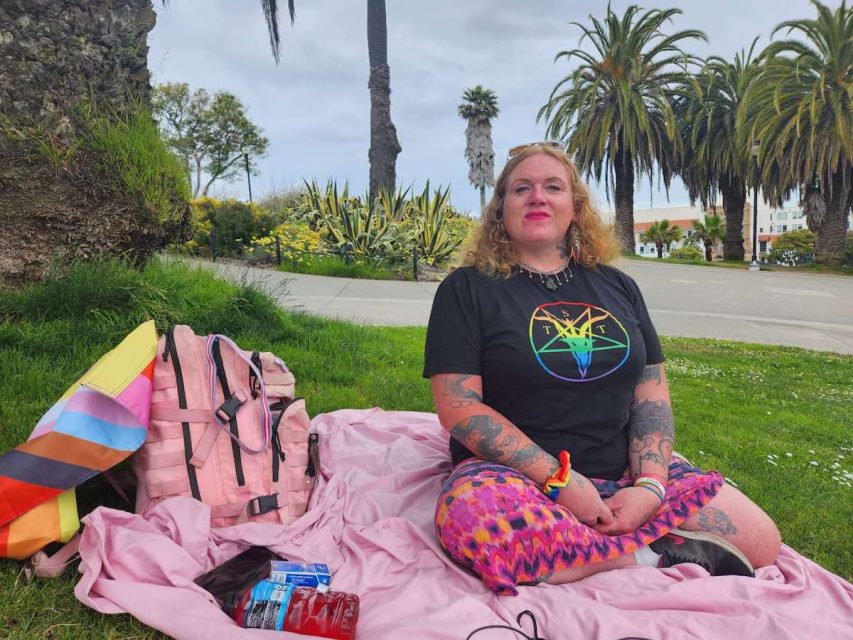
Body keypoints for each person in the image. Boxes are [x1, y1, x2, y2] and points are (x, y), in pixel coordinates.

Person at [423, 142, 781, 596]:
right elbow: (459, 408)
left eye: (553, 187)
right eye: (521, 188)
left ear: (574, 206)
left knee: (760, 538)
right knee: (480, 527)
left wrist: (649, 488)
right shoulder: (467, 289)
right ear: (501, 209)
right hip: (517, 479)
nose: (538, 197)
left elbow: (650, 395)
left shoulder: (618, 286)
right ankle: (653, 554)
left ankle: (586, 553)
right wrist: (560, 481)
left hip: (623, 472)